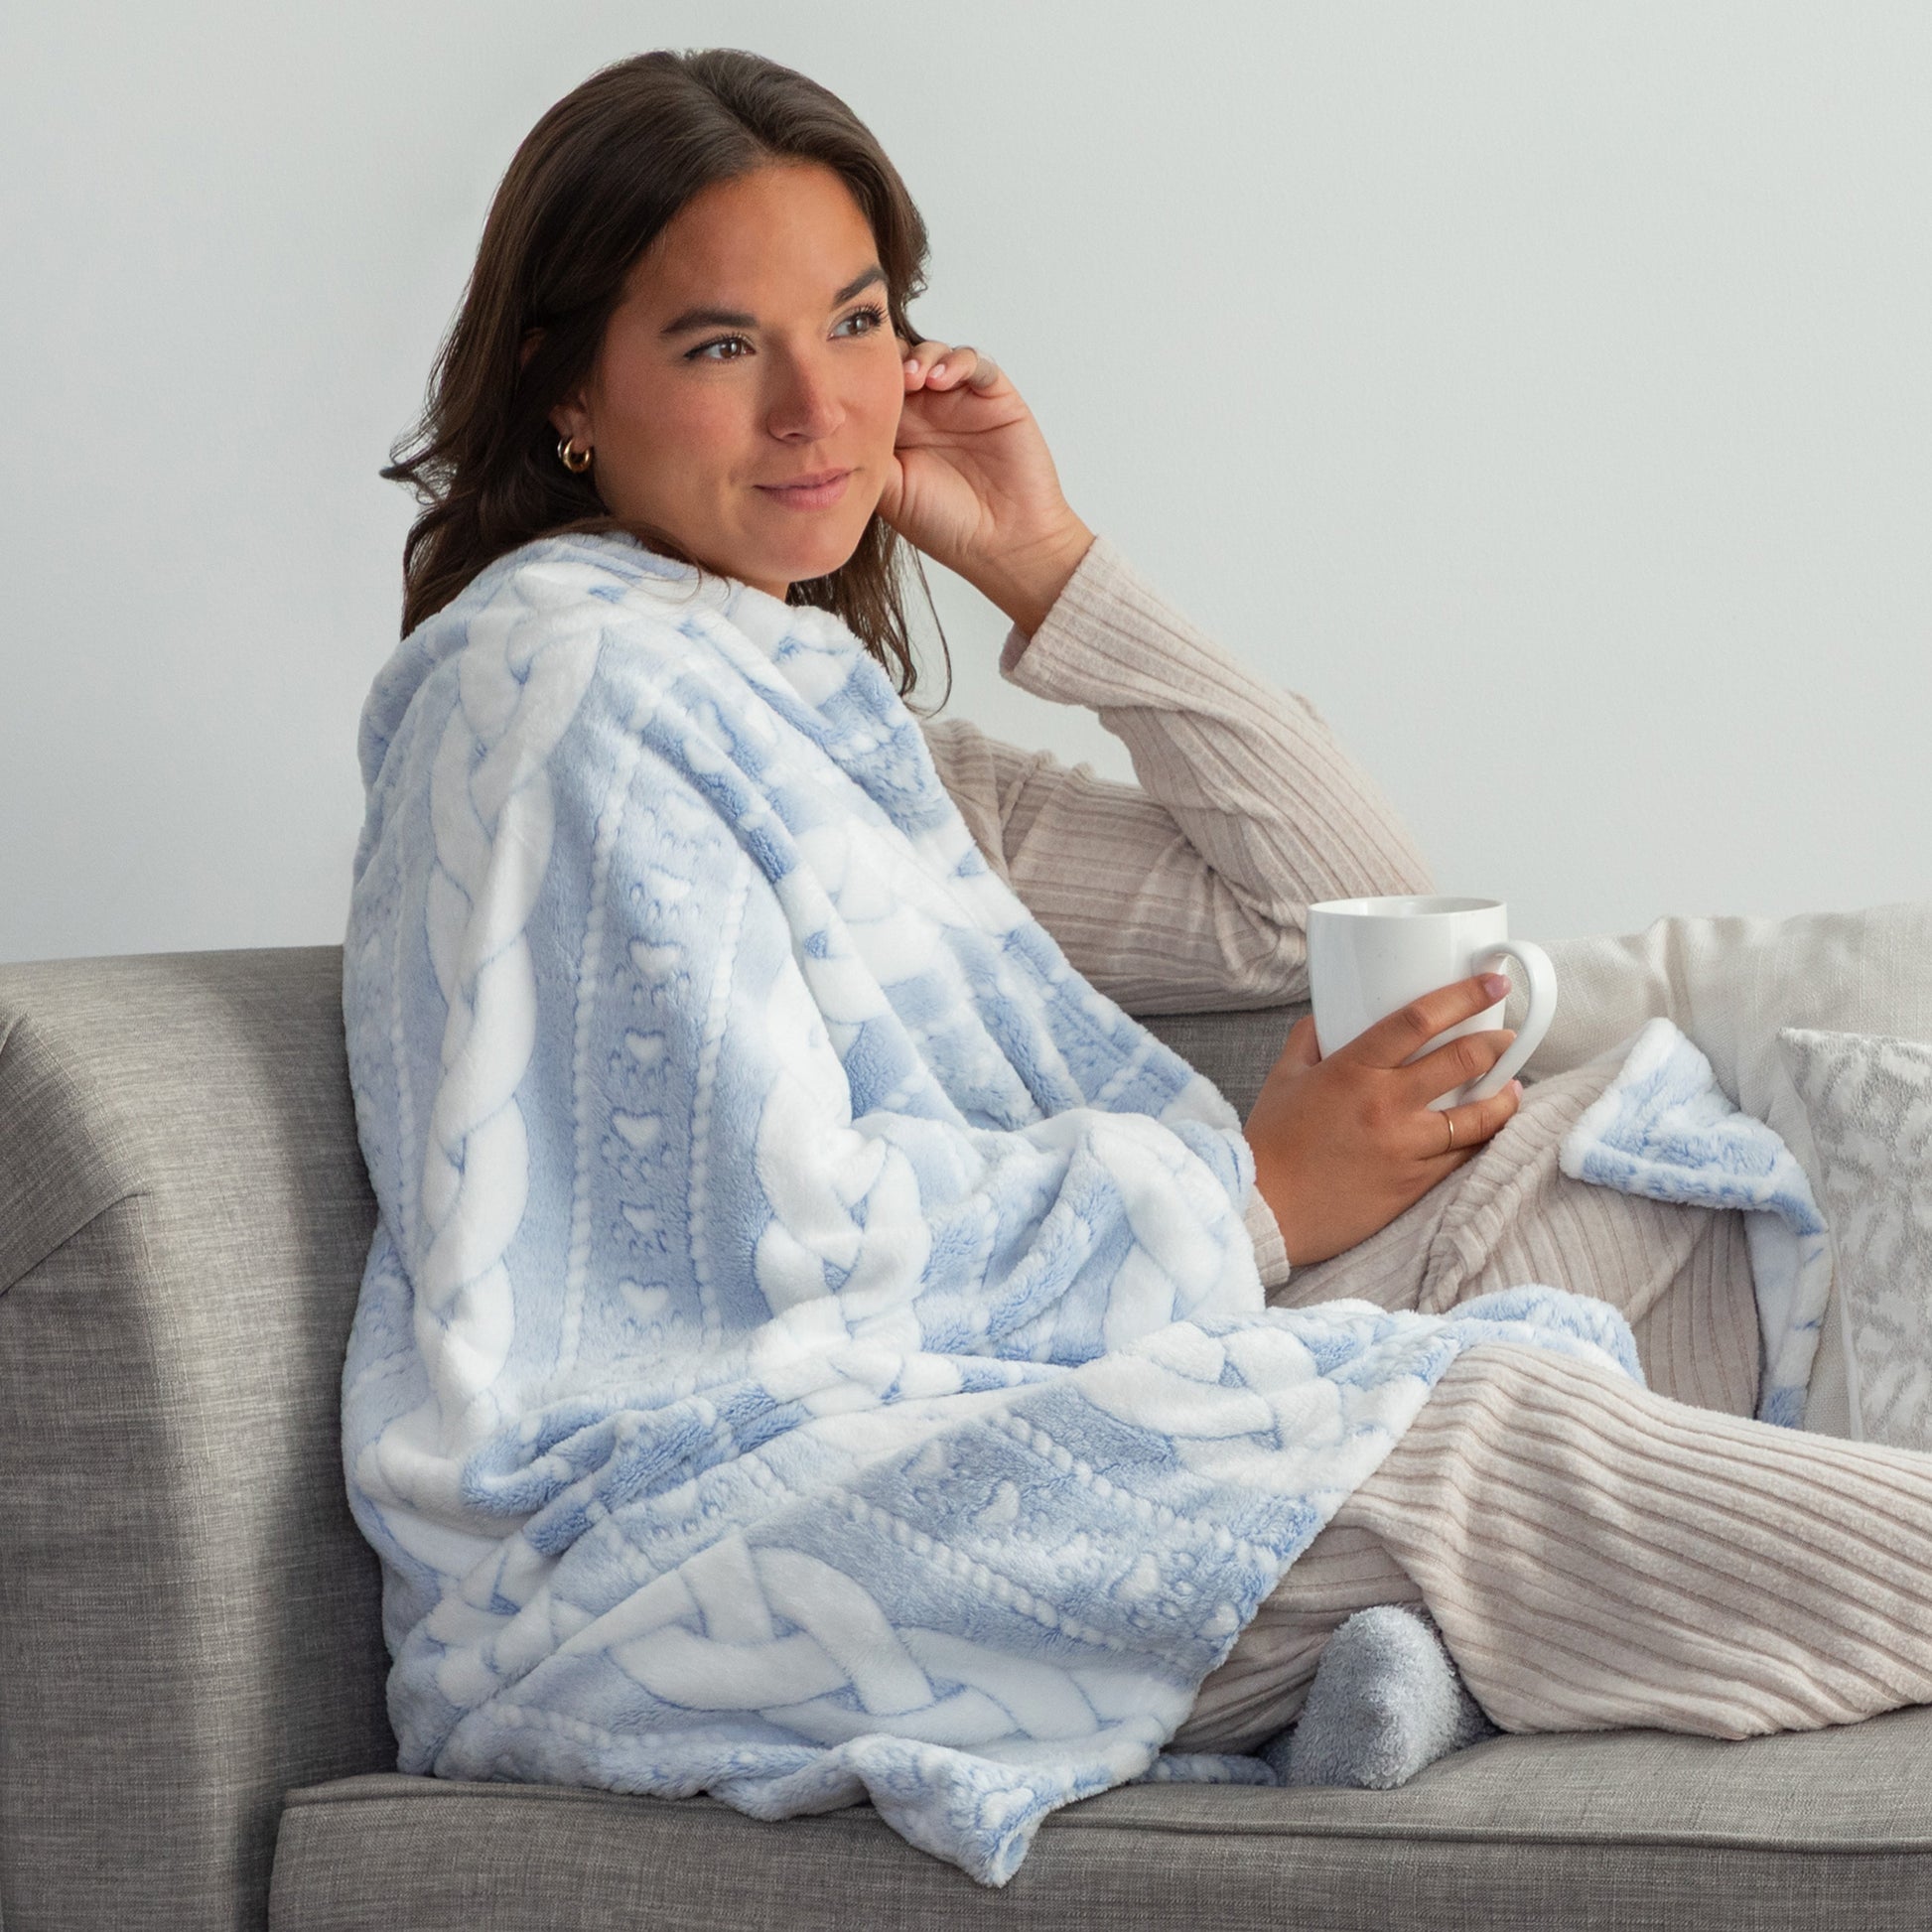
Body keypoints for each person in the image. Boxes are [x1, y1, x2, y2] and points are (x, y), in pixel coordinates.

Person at [344, 45, 1932, 1878]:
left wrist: (1042, 560)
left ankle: (1372, 1661)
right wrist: (1243, 1197)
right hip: (695, 1526)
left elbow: (1337, 910)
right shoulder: (561, 690)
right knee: (1468, 1435)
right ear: (564, 384)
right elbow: (737, 1272)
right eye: (721, 346)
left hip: (1024, 1366)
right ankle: (1402, 1625)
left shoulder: (816, 713)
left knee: (1597, 1166)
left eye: (854, 325)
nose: (816, 409)